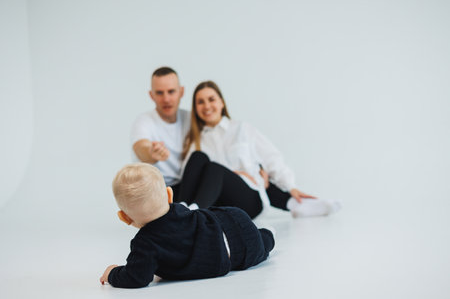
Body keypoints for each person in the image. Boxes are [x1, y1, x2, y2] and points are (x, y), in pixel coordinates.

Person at [178, 80, 341, 219]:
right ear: (196, 108)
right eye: (200, 102)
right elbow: (190, 178)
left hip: (249, 198)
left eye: (211, 99)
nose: (206, 106)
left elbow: (271, 158)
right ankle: (182, 211)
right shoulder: (196, 141)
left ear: (221, 102)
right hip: (216, 202)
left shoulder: (242, 129)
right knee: (197, 157)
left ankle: (296, 203)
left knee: (215, 169)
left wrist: (291, 186)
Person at [99, 163, 274, 288]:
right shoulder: (181, 211)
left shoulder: (145, 244)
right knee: (262, 239)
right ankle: (266, 235)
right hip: (233, 222)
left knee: (262, 242)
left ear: (124, 217)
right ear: (169, 195)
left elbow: (136, 277)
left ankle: (265, 235)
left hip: (234, 255)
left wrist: (112, 273)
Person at [130, 67, 190, 200]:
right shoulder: (144, 121)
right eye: (160, 93)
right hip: (158, 191)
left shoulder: (191, 119)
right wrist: (152, 153)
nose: (166, 99)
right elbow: (141, 148)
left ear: (181, 92)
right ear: (151, 95)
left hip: (188, 187)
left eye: (171, 91)